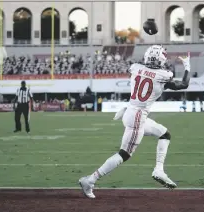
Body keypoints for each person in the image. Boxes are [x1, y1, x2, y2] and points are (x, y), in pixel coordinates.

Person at [78, 46, 191, 199]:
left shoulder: (135, 68)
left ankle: (159, 170)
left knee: (164, 134)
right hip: (137, 117)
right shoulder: (164, 75)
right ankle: (90, 180)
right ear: (161, 59)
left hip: (131, 111)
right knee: (124, 154)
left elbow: (143, 78)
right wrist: (187, 66)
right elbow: (183, 84)